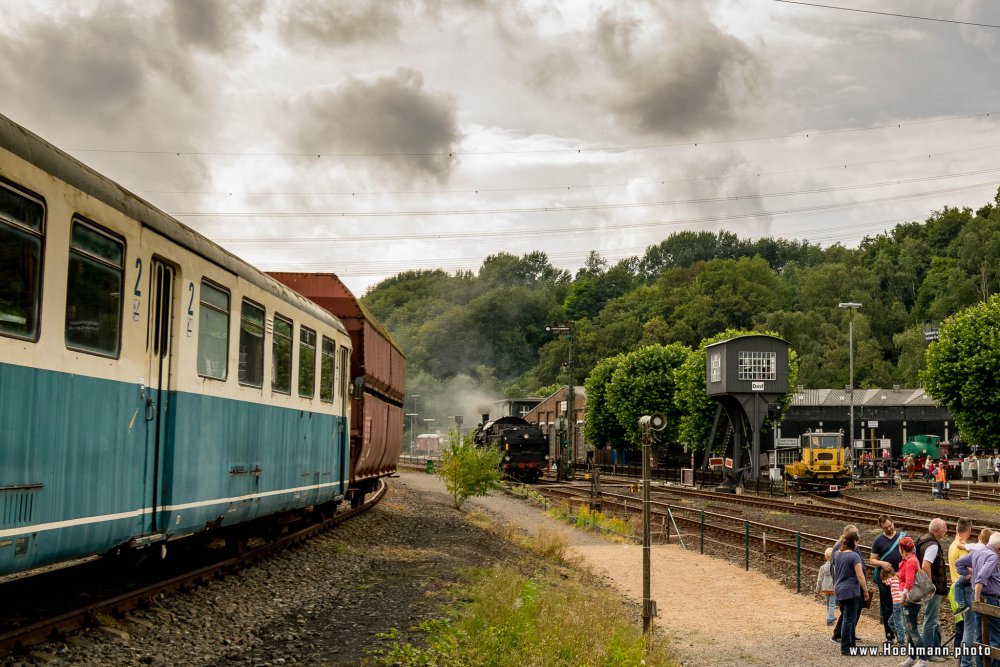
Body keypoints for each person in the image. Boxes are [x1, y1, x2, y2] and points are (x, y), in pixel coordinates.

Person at [915, 518, 949, 659]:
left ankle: (936, 649)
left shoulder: (922, 540)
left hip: (927, 588)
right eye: (945, 528)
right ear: (938, 530)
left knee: (933, 619)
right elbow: (925, 565)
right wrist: (931, 586)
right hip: (933, 589)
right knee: (931, 619)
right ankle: (928, 653)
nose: (946, 531)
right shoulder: (933, 545)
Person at [831, 529, 869, 656]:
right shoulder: (854, 556)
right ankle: (846, 647)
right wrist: (865, 590)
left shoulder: (836, 554)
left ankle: (851, 645)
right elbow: (860, 575)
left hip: (839, 590)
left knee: (849, 618)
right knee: (849, 619)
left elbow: (836, 571)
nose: (858, 544)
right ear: (853, 542)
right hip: (851, 591)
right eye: (857, 541)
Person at [871, 514, 906, 645]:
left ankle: (901, 634)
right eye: (885, 528)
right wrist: (882, 563)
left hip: (900, 577)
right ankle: (889, 635)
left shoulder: (902, 537)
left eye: (890, 526)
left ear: (893, 522)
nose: (889, 529)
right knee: (887, 607)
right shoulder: (878, 541)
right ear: (881, 527)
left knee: (900, 606)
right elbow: (872, 559)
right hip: (885, 579)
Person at [897, 536, 927, 667]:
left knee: (912, 629)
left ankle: (923, 659)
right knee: (909, 629)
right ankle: (912, 656)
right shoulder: (909, 559)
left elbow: (909, 581)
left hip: (910, 599)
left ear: (901, 548)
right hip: (909, 598)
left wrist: (903, 596)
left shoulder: (910, 561)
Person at [948, 518, 974, 655]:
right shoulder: (962, 548)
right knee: (965, 628)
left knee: (960, 627)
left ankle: (959, 657)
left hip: (954, 590)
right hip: (963, 591)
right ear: (969, 530)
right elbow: (969, 570)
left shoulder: (953, 544)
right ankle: (962, 658)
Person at [879, 565, 906, 648]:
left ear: (888, 575)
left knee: (897, 622)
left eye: (886, 577)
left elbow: (883, 581)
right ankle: (900, 635)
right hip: (899, 602)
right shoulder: (898, 578)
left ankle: (902, 641)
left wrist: (882, 576)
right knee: (891, 621)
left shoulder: (892, 579)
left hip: (896, 603)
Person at [817, 547, 836, 626]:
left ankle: (830, 616)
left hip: (825, 588)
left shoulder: (823, 567)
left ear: (825, 557)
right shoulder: (835, 567)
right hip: (833, 588)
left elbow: (819, 578)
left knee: (828, 603)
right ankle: (830, 618)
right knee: (832, 604)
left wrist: (818, 588)